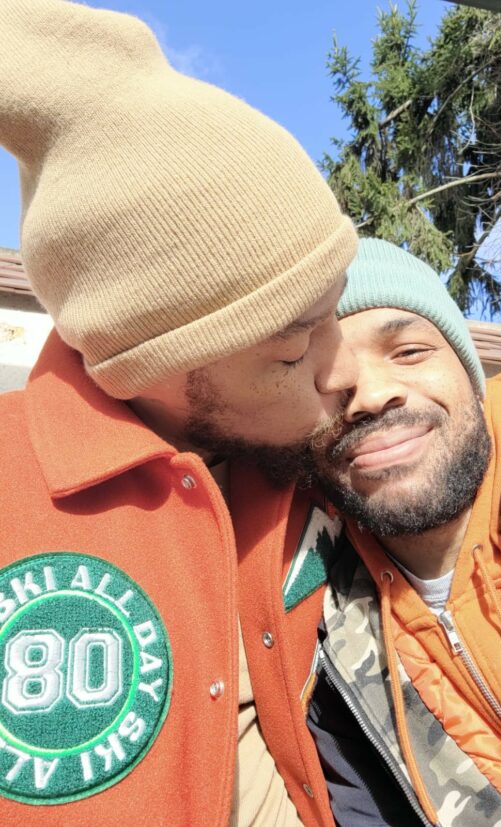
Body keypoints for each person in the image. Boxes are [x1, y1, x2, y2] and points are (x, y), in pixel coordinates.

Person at [0, 1, 358, 824]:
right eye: (294, 346)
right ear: (153, 366)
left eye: (335, 308)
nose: (346, 374)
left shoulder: (317, 470)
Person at [305, 238, 501, 827]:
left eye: (408, 351)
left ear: (471, 375)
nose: (371, 395)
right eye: (328, 381)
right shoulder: (324, 630)